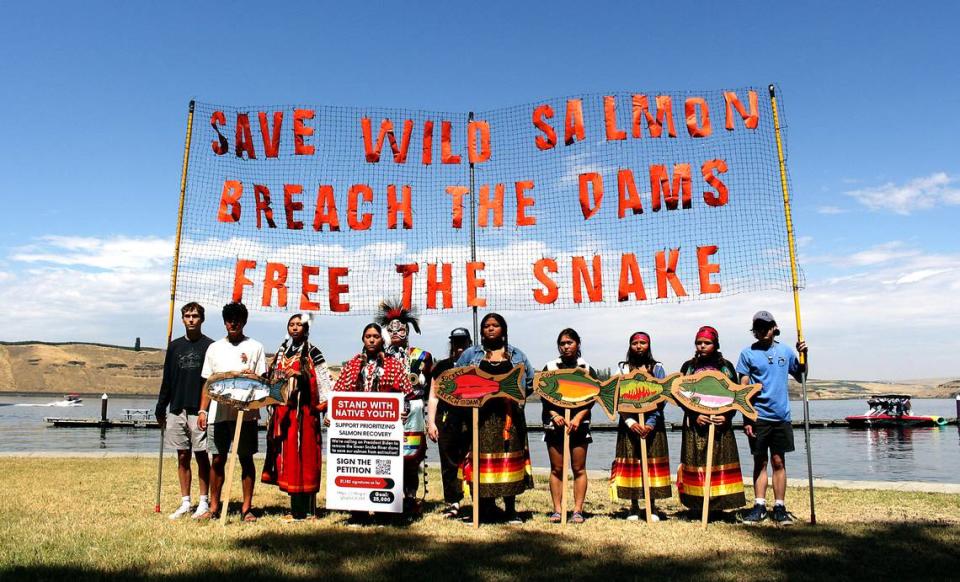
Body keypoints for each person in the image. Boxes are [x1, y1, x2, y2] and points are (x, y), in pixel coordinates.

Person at [455, 313, 535, 524]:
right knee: (480, 462)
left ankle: (510, 510)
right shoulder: (470, 355)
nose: (491, 329)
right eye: (486, 326)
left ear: (503, 329)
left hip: (510, 418)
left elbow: (529, 382)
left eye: (495, 325)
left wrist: (511, 397)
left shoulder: (517, 355)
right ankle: (481, 510)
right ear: (481, 331)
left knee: (510, 461)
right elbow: (457, 380)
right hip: (479, 419)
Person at [196, 302, 266, 522]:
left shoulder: (256, 346)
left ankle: (247, 509)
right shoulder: (215, 348)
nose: (233, 323)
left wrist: (251, 377)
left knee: (246, 458)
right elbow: (208, 382)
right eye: (229, 319)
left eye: (237, 319)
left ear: (244, 321)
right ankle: (214, 507)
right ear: (224, 322)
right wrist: (202, 411)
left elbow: (263, 381)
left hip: (245, 415)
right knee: (217, 459)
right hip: (218, 414)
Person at [737, 311, 808, 526]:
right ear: (754, 330)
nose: (762, 330)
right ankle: (759, 505)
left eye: (766, 326)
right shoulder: (747, 353)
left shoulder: (785, 351)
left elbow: (802, 375)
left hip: (781, 417)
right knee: (761, 461)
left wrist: (804, 355)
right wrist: (747, 417)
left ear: (774, 327)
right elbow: (743, 387)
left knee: (779, 461)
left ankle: (779, 507)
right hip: (758, 415)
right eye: (758, 327)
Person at [261, 314, 333, 521]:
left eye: (298, 325)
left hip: (306, 414)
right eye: (291, 325)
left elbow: (324, 383)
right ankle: (295, 509)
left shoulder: (313, 353)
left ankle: (310, 510)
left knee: (306, 457)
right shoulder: (282, 351)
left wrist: (325, 409)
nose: (294, 328)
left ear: (306, 328)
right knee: (290, 459)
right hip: (285, 415)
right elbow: (272, 377)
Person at [676, 326, 747, 519]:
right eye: (699, 343)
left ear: (715, 344)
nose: (702, 346)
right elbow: (680, 394)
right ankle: (696, 506)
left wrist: (728, 416)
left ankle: (720, 506)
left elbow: (736, 394)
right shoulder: (688, 367)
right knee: (695, 462)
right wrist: (693, 415)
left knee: (720, 461)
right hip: (695, 423)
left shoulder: (726, 367)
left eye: (707, 343)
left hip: (720, 424)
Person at [154, 302, 214, 520]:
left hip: (198, 410)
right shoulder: (175, 346)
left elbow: (212, 381)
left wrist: (205, 410)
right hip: (176, 408)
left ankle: (204, 501)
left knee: (201, 456)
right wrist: (161, 406)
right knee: (182, 456)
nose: (191, 319)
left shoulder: (210, 346)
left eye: (195, 316)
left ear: (201, 319)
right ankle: (185, 502)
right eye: (187, 316)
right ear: (182, 319)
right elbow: (167, 379)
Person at [376, 300, 433, 514]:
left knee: (411, 456)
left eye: (401, 328)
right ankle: (388, 495)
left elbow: (431, 390)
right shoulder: (380, 357)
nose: (396, 332)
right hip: (387, 413)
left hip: (414, 412)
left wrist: (429, 417)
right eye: (392, 329)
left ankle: (410, 497)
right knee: (387, 455)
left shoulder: (422, 356)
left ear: (408, 330)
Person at [610, 331, 671, 521]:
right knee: (632, 464)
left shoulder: (658, 368)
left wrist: (651, 424)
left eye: (642, 342)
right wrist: (631, 422)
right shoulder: (622, 370)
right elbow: (617, 400)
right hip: (629, 426)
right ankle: (634, 507)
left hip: (654, 425)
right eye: (635, 342)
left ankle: (651, 506)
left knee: (651, 463)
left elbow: (663, 398)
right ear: (630, 346)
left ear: (648, 345)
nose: (638, 346)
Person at [541, 328, 595, 524]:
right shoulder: (550, 367)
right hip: (554, 425)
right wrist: (554, 415)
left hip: (578, 425)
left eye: (569, 343)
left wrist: (578, 417)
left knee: (578, 468)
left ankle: (578, 510)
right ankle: (557, 509)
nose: (566, 347)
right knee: (556, 468)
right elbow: (544, 394)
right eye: (562, 343)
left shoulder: (586, 367)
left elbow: (592, 398)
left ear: (577, 344)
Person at [426, 327, 473, 519]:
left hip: (470, 420)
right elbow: (433, 396)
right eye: (456, 342)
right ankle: (452, 502)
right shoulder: (441, 366)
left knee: (472, 460)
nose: (459, 346)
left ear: (469, 343)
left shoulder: (475, 365)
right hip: (446, 420)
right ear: (451, 343)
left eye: (463, 342)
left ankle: (479, 501)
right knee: (449, 462)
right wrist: (431, 422)